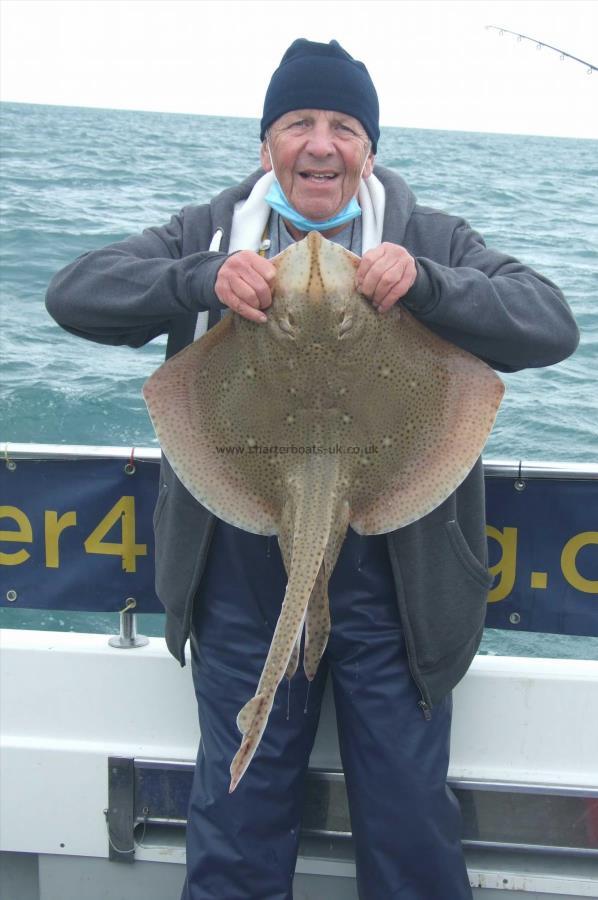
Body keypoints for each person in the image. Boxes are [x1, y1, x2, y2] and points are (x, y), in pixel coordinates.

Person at [46, 38, 579, 900]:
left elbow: (550, 324)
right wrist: (202, 279)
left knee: (409, 823)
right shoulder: (212, 231)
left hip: (396, 581)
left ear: (371, 149)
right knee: (239, 822)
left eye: (344, 126)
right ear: (267, 145)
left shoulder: (430, 236)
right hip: (240, 568)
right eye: (299, 122)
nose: (321, 143)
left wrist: (432, 287)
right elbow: (75, 293)